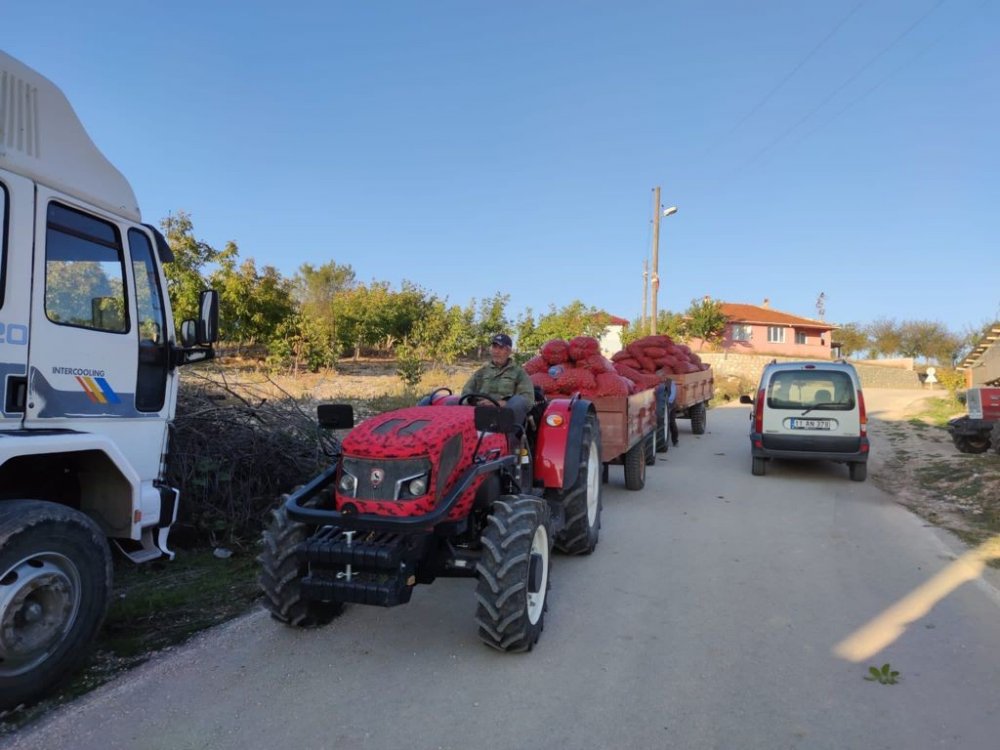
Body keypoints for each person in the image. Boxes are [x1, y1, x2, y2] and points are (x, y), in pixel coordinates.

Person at [462, 333, 534, 427]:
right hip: (480, 411)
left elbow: (528, 399)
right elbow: (466, 391)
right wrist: (476, 402)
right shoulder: (481, 371)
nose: (496, 351)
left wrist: (502, 403)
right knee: (451, 402)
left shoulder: (519, 373)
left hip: (504, 415)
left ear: (508, 351)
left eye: (501, 348)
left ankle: (508, 439)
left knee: (519, 402)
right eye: (494, 347)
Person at [667, 377, 679, 446]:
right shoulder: (656, 381)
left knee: (672, 422)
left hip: (671, 405)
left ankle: (675, 440)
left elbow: (672, 396)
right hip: (662, 406)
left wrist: (667, 403)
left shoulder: (671, 382)